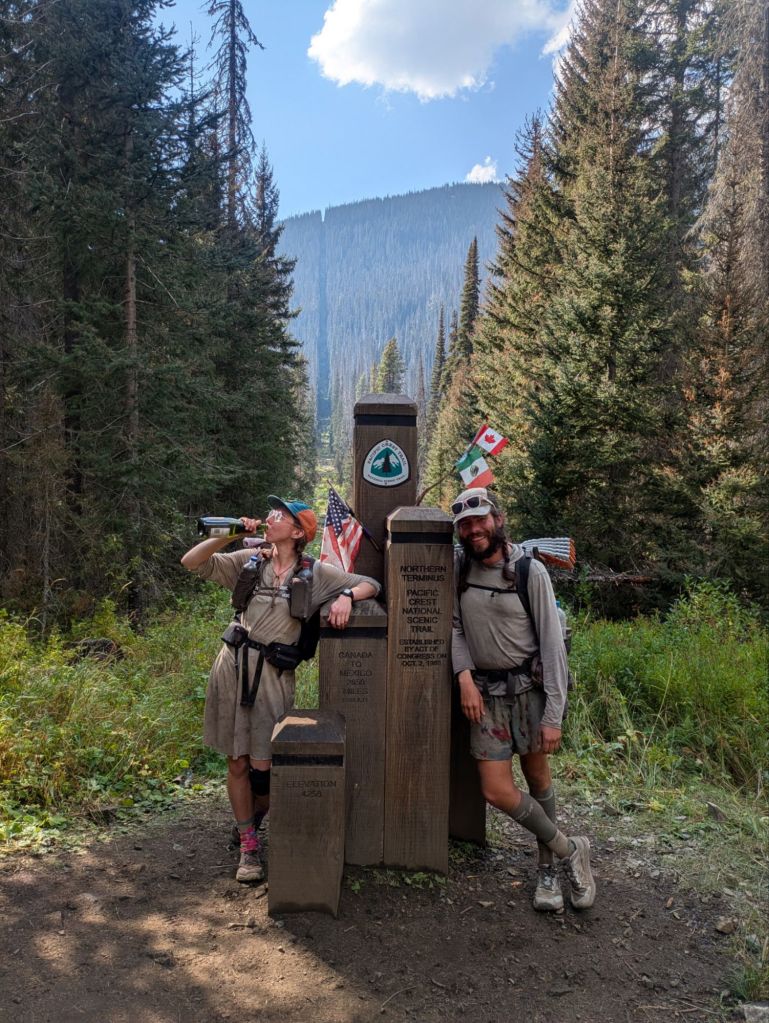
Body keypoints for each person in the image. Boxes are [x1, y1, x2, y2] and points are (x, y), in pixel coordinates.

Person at [181, 495, 380, 883]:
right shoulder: (249, 561)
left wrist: (344, 596)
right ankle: (248, 846)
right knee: (237, 761)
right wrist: (230, 535)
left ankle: (253, 817)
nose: (269, 519)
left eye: (279, 516)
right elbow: (193, 562)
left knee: (265, 768)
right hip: (232, 668)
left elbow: (370, 584)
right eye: (271, 514)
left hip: (273, 677)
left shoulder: (316, 573)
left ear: (298, 532)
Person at [451, 486, 596, 912]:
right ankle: (571, 849)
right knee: (496, 790)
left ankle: (547, 870)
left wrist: (554, 715)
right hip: (485, 697)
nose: (473, 530)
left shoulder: (529, 571)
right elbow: (455, 627)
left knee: (537, 777)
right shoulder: (460, 568)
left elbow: (552, 646)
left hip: (529, 692)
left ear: (497, 520)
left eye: (480, 520)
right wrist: (463, 677)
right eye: (465, 525)